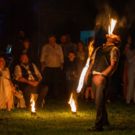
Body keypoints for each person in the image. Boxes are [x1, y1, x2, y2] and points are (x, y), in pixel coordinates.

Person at [85, 27, 120, 131]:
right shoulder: (99, 48)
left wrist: (102, 76)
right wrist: (87, 74)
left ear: (115, 40)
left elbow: (113, 65)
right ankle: (105, 121)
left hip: (102, 78)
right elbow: (92, 62)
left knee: (99, 102)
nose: (111, 34)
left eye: (114, 35)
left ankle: (98, 125)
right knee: (98, 101)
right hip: (95, 76)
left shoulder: (114, 49)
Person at [40, 35, 64, 99]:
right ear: (48, 40)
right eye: (50, 39)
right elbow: (42, 57)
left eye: (52, 39)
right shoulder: (45, 47)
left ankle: (56, 95)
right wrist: (42, 65)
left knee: (56, 82)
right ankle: (47, 95)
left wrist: (62, 64)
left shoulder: (59, 47)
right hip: (48, 67)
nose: (51, 41)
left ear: (55, 40)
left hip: (57, 67)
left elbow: (61, 56)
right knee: (48, 82)